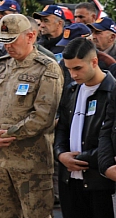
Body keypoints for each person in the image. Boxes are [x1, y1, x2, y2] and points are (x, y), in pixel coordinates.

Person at [0, 14, 63, 218]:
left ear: (31, 36)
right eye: (4, 42)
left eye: (12, 41)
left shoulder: (47, 68)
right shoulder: (0, 65)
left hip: (31, 164)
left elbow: (43, 116)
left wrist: (6, 135)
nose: (7, 47)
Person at [55, 38, 114, 218]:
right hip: (69, 180)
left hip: (100, 182)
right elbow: (62, 127)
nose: (72, 74)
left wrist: (81, 159)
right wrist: (60, 153)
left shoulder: (112, 92)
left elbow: (110, 139)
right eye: (69, 69)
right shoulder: (72, 90)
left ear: (94, 61)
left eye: (77, 68)